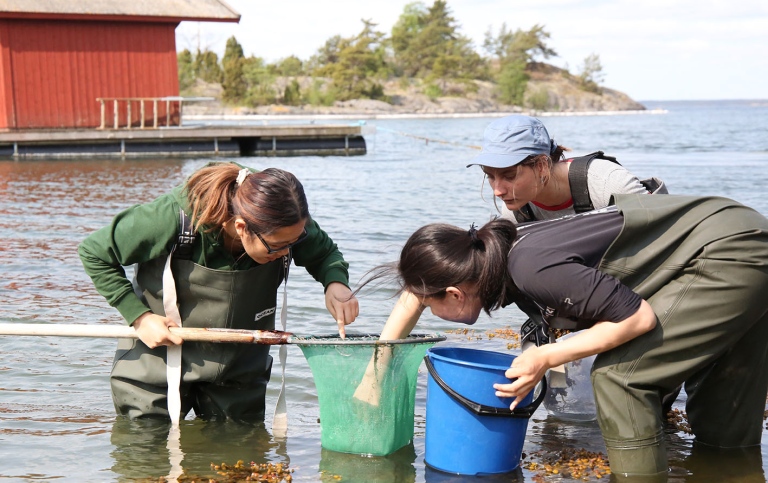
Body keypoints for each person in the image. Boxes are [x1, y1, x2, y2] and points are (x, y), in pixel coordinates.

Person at [365, 193, 768, 478]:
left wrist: (546, 357)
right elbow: (413, 296)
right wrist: (374, 378)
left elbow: (637, 319)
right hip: (746, 236)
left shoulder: (531, 268)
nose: (426, 309)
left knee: (620, 377)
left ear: (454, 293)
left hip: (727, 255)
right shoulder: (494, 254)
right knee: (723, 421)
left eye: (430, 303)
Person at [79, 162, 359, 421]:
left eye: (294, 242)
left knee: (237, 458)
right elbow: (94, 252)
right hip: (156, 364)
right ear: (241, 227)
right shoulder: (169, 218)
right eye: (276, 247)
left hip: (239, 370)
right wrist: (139, 317)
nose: (288, 252)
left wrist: (336, 283)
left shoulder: (287, 219)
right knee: (145, 461)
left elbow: (325, 254)